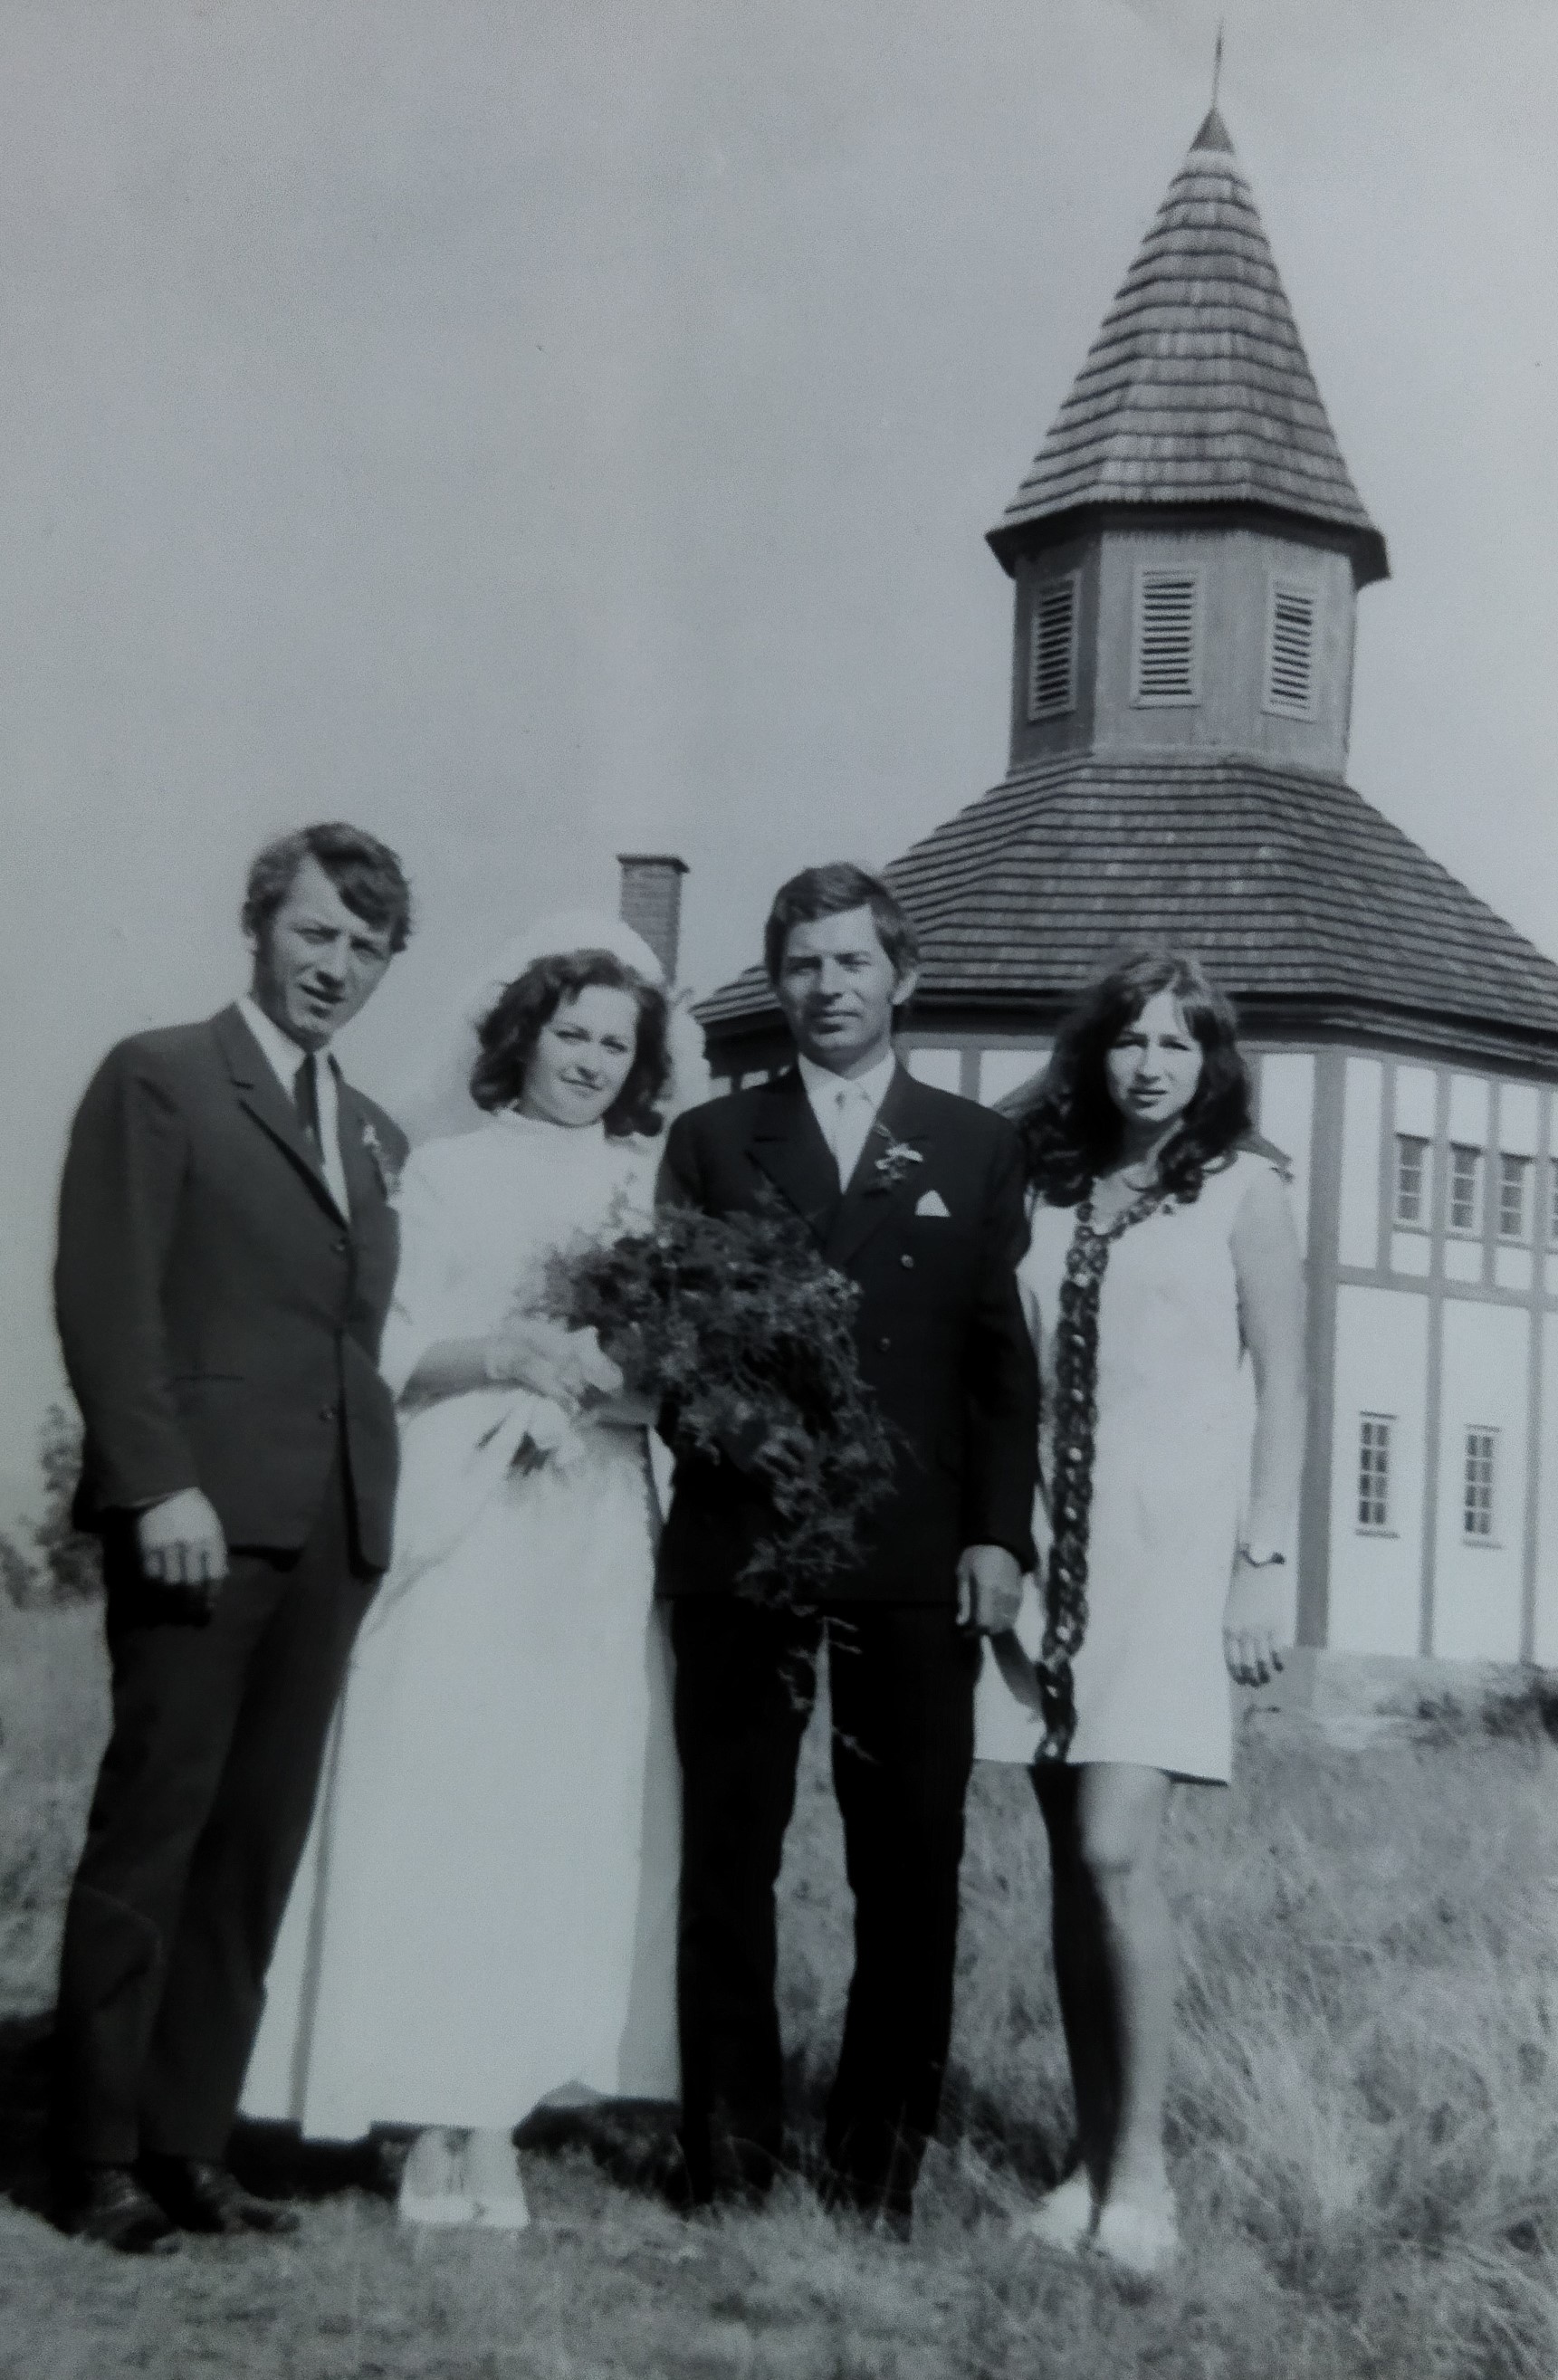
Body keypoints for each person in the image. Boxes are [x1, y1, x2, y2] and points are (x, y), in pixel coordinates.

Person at [242, 915, 685, 2232]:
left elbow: (674, 1372)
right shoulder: (444, 1172)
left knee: (554, 1812)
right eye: (570, 1033)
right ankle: (428, 2109)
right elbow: (389, 1350)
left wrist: (607, 1384)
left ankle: (494, 2109)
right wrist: (510, 1359)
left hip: (590, 1522)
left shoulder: (648, 1187)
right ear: (521, 1037)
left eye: (615, 1044)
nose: (590, 1061)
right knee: (443, 1796)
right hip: (467, 1512)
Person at [656, 863, 1039, 2236]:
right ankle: (729, 2154)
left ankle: (878, 2168)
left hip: (916, 1551)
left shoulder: (972, 1146)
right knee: (728, 1852)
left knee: (910, 1861)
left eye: (852, 962)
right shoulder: (715, 1139)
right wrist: (744, 1443)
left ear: (901, 978)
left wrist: (997, 1535)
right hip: (743, 1541)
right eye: (804, 964)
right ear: (779, 980)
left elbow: (1001, 1370)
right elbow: (677, 1350)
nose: (827, 987)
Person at [50, 823, 413, 2253]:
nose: (335, 966)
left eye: (366, 947)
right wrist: (157, 1483)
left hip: (330, 1529)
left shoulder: (373, 1131)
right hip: (199, 1520)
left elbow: (356, 1335)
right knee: (158, 1827)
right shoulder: (161, 1076)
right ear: (258, 925)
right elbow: (107, 1291)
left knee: (257, 1841)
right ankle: (94, 2153)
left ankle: (187, 2139)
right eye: (315, 932)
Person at [975, 950, 1306, 2277]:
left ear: (1211, 1060)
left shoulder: (1244, 1189)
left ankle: (1146, 2172)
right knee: (1068, 1865)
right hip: (1054, 1552)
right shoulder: (1046, 1186)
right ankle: (1087, 2156)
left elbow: (1286, 1386)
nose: (1150, 1064)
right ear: (1094, 1054)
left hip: (1172, 1557)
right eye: (1128, 1040)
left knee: (1117, 1852)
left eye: (1176, 1042)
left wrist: (1262, 1561)